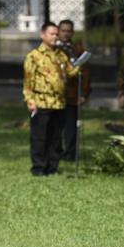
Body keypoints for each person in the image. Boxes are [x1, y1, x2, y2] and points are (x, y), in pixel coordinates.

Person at [23, 22, 80, 176]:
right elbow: (28, 81)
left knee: (55, 138)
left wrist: (79, 61)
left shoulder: (61, 55)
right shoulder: (34, 56)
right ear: (43, 35)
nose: (55, 37)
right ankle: (39, 168)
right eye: (52, 34)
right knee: (40, 138)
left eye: (56, 34)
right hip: (41, 102)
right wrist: (30, 100)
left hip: (59, 103)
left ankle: (52, 167)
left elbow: (71, 72)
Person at [58, 19, 91, 161]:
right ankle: (56, 153)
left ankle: (70, 154)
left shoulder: (77, 49)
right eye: (63, 31)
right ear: (58, 31)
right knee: (56, 127)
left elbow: (86, 73)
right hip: (55, 96)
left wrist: (84, 93)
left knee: (71, 128)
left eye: (68, 31)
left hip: (72, 95)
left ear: (72, 32)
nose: (65, 34)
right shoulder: (53, 48)